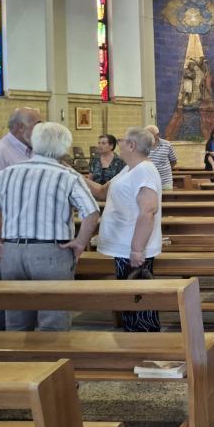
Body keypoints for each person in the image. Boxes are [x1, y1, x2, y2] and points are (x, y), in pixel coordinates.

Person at [0, 122, 99, 332]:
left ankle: (21, 363)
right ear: (63, 147)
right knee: (53, 319)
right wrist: (81, 243)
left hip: (12, 252)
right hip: (52, 251)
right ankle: (53, 362)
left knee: (16, 320)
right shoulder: (67, 175)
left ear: (34, 143)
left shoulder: (8, 173)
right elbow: (91, 212)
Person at [89, 128, 163, 332]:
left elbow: (148, 210)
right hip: (124, 246)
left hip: (132, 247)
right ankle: (134, 345)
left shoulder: (144, 170)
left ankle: (145, 347)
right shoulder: (129, 168)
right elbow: (102, 192)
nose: (119, 143)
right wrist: (70, 173)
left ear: (132, 145)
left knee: (139, 303)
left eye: (122, 140)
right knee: (130, 302)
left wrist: (137, 249)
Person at [0, 106, 41, 331]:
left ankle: (24, 346)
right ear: (20, 127)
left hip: (25, 236)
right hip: (3, 236)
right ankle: (0, 349)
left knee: (22, 296)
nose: (40, 129)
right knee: (5, 296)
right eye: (36, 124)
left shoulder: (32, 152)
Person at [146, 125, 177, 191]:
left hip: (165, 181)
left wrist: (165, 170)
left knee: (168, 200)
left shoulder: (167, 144)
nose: (147, 137)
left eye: (150, 135)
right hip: (149, 182)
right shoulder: (143, 145)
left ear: (157, 134)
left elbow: (173, 161)